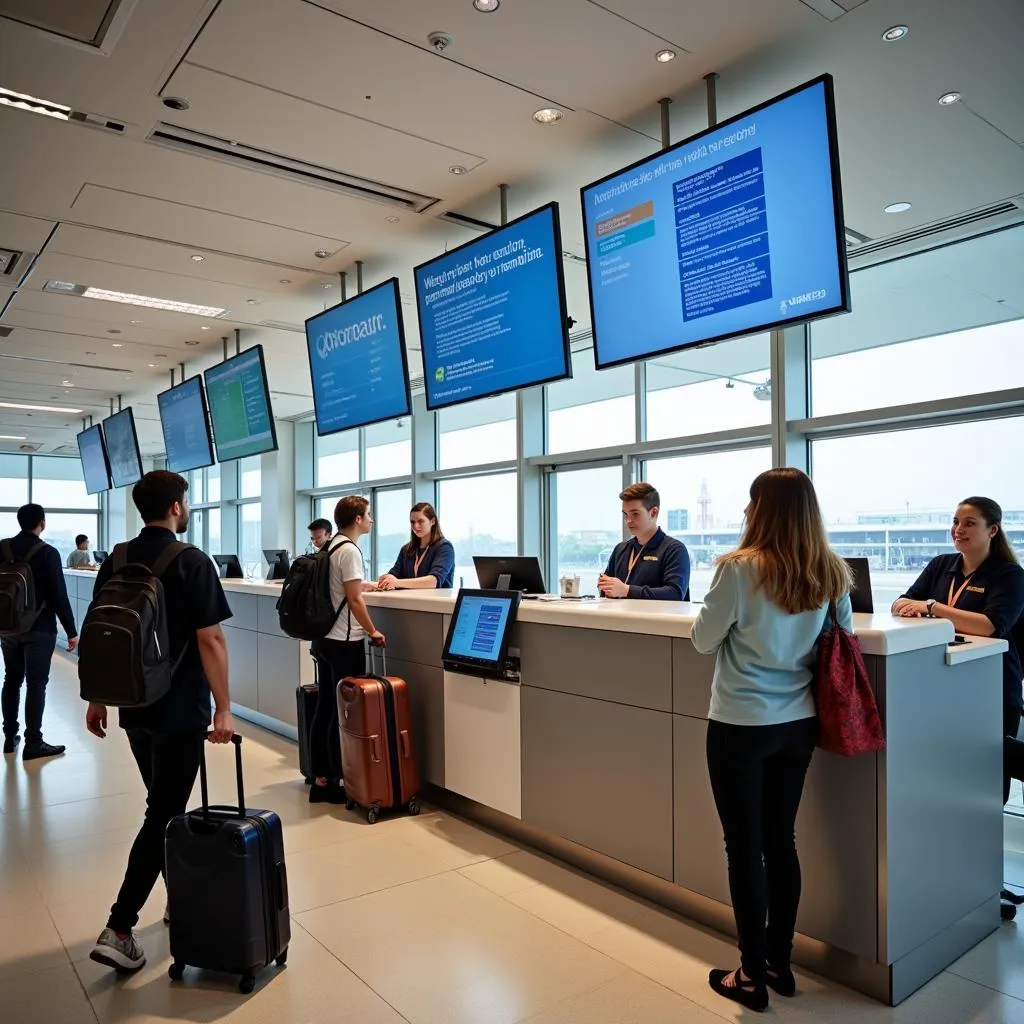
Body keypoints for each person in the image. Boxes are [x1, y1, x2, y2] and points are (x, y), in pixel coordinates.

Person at [690, 468, 853, 1012]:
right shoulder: (831, 572)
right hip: (798, 726)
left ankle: (750, 974)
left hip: (739, 723)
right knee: (780, 842)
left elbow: (703, 639)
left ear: (761, 510)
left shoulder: (738, 570)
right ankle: (781, 965)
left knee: (744, 849)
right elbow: (844, 640)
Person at [84, 471, 234, 973]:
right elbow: (211, 640)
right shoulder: (191, 561)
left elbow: (101, 630)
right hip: (180, 707)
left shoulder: (118, 557)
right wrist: (225, 707)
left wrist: (98, 699)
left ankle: (178, 899)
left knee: (163, 806)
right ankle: (120, 926)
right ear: (175, 507)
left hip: (133, 707)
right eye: (185, 501)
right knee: (164, 813)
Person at [892, 496, 1024, 805]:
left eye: (969, 523)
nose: (958, 530)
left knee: (990, 783)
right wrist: (919, 607)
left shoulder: (1009, 575)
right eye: (955, 522)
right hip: (946, 685)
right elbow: (899, 603)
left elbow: (990, 625)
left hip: (995, 687)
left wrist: (932, 607)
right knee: (953, 778)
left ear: (992, 530)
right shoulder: (941, 565)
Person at [308, 496, 385, 803]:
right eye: (368, 515)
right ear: (357, 519)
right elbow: (353, 601)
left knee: (325, 706)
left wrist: (363, 585)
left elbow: (343, 589)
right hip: (345, 641)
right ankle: (337, 780)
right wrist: (373, 630)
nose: (371, 520)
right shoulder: (350, 550)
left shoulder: (329, 546)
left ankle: (320, 778)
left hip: (324, 639)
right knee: (342, 711)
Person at [2, 504, 78, 759]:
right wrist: (71, 630)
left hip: (8, 626)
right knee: (37, 683)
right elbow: (59, 595)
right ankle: (34, 742)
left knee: (11, 680)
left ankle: (9, 737)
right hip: (40, 627)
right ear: (42, 523)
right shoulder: (47, 553)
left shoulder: (2, 548)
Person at [598, 482, 690, 600]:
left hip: (656, 618)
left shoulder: (675, 550)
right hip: (620, 617)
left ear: (653, 512)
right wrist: (604, 586)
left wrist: (627, 590)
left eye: (635, 514)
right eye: (625, 515)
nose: (628, 521)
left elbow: (675, 594)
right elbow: (607, 589)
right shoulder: (620, 549)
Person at [377, 502, 455, 591]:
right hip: (409, 602)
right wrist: (387, 578)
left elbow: (434, 581)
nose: (415, 526)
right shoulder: (406, 549)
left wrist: (396, 582)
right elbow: (395, 573)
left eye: (420, 521)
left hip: (437, 603)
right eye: (412, 522)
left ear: (432, 521)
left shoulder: (444, 547)